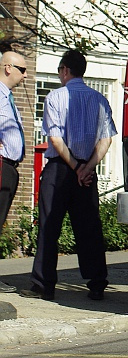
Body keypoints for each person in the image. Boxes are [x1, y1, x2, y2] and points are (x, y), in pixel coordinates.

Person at [21, 50, 116, 301]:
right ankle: (97, 283)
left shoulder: (54, 97)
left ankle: (44, 284)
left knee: (50, 225)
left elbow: (55, 137)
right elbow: (106, 138)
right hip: (87, 168)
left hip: (60, 168)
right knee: (89, 227)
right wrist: (88, 167)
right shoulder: (100, 99)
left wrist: (74, 167)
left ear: (64, 70)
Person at [0, 48, 29, 294]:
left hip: (10, 167)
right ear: (8, 68)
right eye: (22, 70)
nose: (26, 75)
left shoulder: (7, 96)